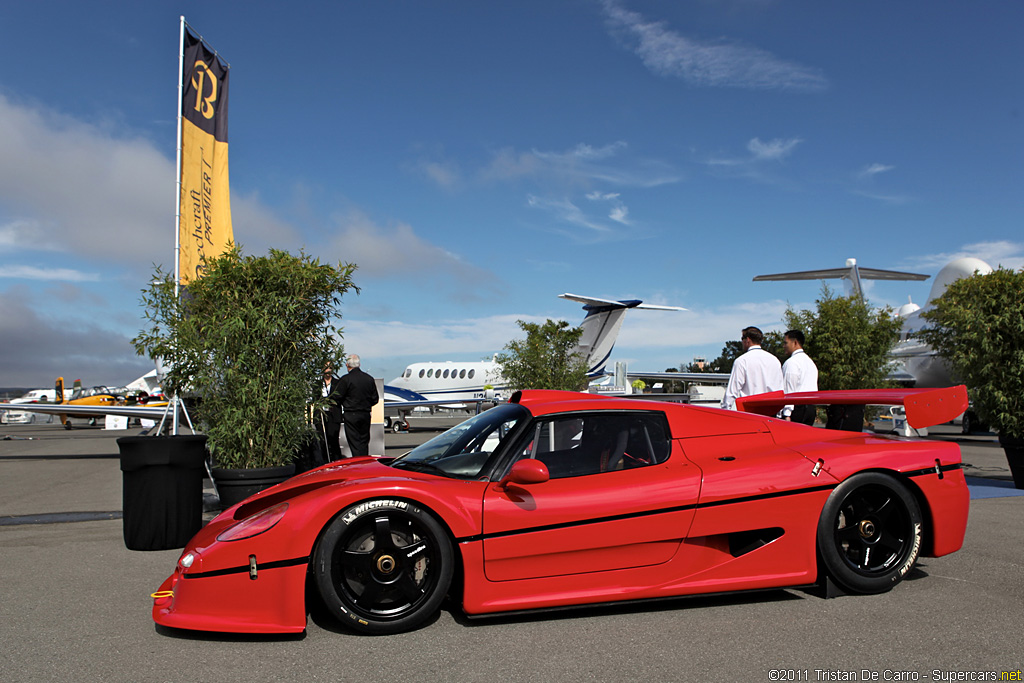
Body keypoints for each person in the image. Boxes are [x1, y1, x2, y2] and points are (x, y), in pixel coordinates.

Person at [721, 326, 783, 411]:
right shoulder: (775, 360)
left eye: (742, 338)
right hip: (772, 411)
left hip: (751, 412)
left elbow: (732, 392)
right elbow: (780, 389)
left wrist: (725, 410)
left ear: (748, 340)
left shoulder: (742, 361)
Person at [333, 354, 380, 457]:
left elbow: (337, 397)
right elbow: (375, 399)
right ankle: (364, 461)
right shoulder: (369, 379)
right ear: (359, 364)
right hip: (365, 413)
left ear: (347, 365)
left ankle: (358, 462)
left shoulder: (346, 379)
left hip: (351, 413)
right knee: (364, 441)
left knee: (354, 442)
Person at [782, 329, 818, 425]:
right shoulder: (810, 363)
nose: (784, 346)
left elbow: (789, 390)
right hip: (810, 408)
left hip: (797, 409)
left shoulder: (791, 363)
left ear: (795, 342)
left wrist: (787, 414)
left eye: (786, 343)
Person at [316, 364, 344, 462]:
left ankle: (337, 461)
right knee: (323, 441)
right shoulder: (318, 384)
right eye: (326, 368)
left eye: (330, 368)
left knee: (333, 440)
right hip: (321, 415)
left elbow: (340, 398)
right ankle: (325, 462)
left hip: (333, 415)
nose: (328, 370)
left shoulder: (337, 383)